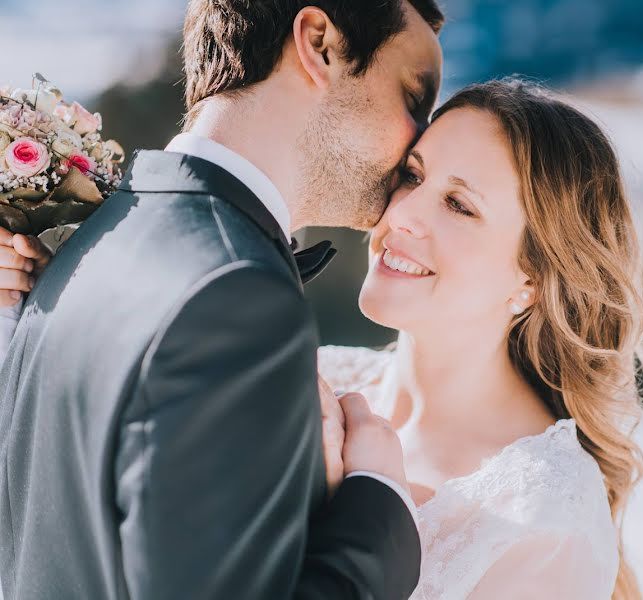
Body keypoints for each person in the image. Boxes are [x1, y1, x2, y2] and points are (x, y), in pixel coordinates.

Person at [1, 75, 643, 597]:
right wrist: (58, 307)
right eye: (412, 176)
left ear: (532, 277)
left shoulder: (542, 517)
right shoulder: (318, 375)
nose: (401, 213)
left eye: (458, 204)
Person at [0, 1, 444, 599]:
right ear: (319, 44)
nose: (422, 141)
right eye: (415, 99)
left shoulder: (87, 244)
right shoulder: (232, 290)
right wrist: (378, 501)